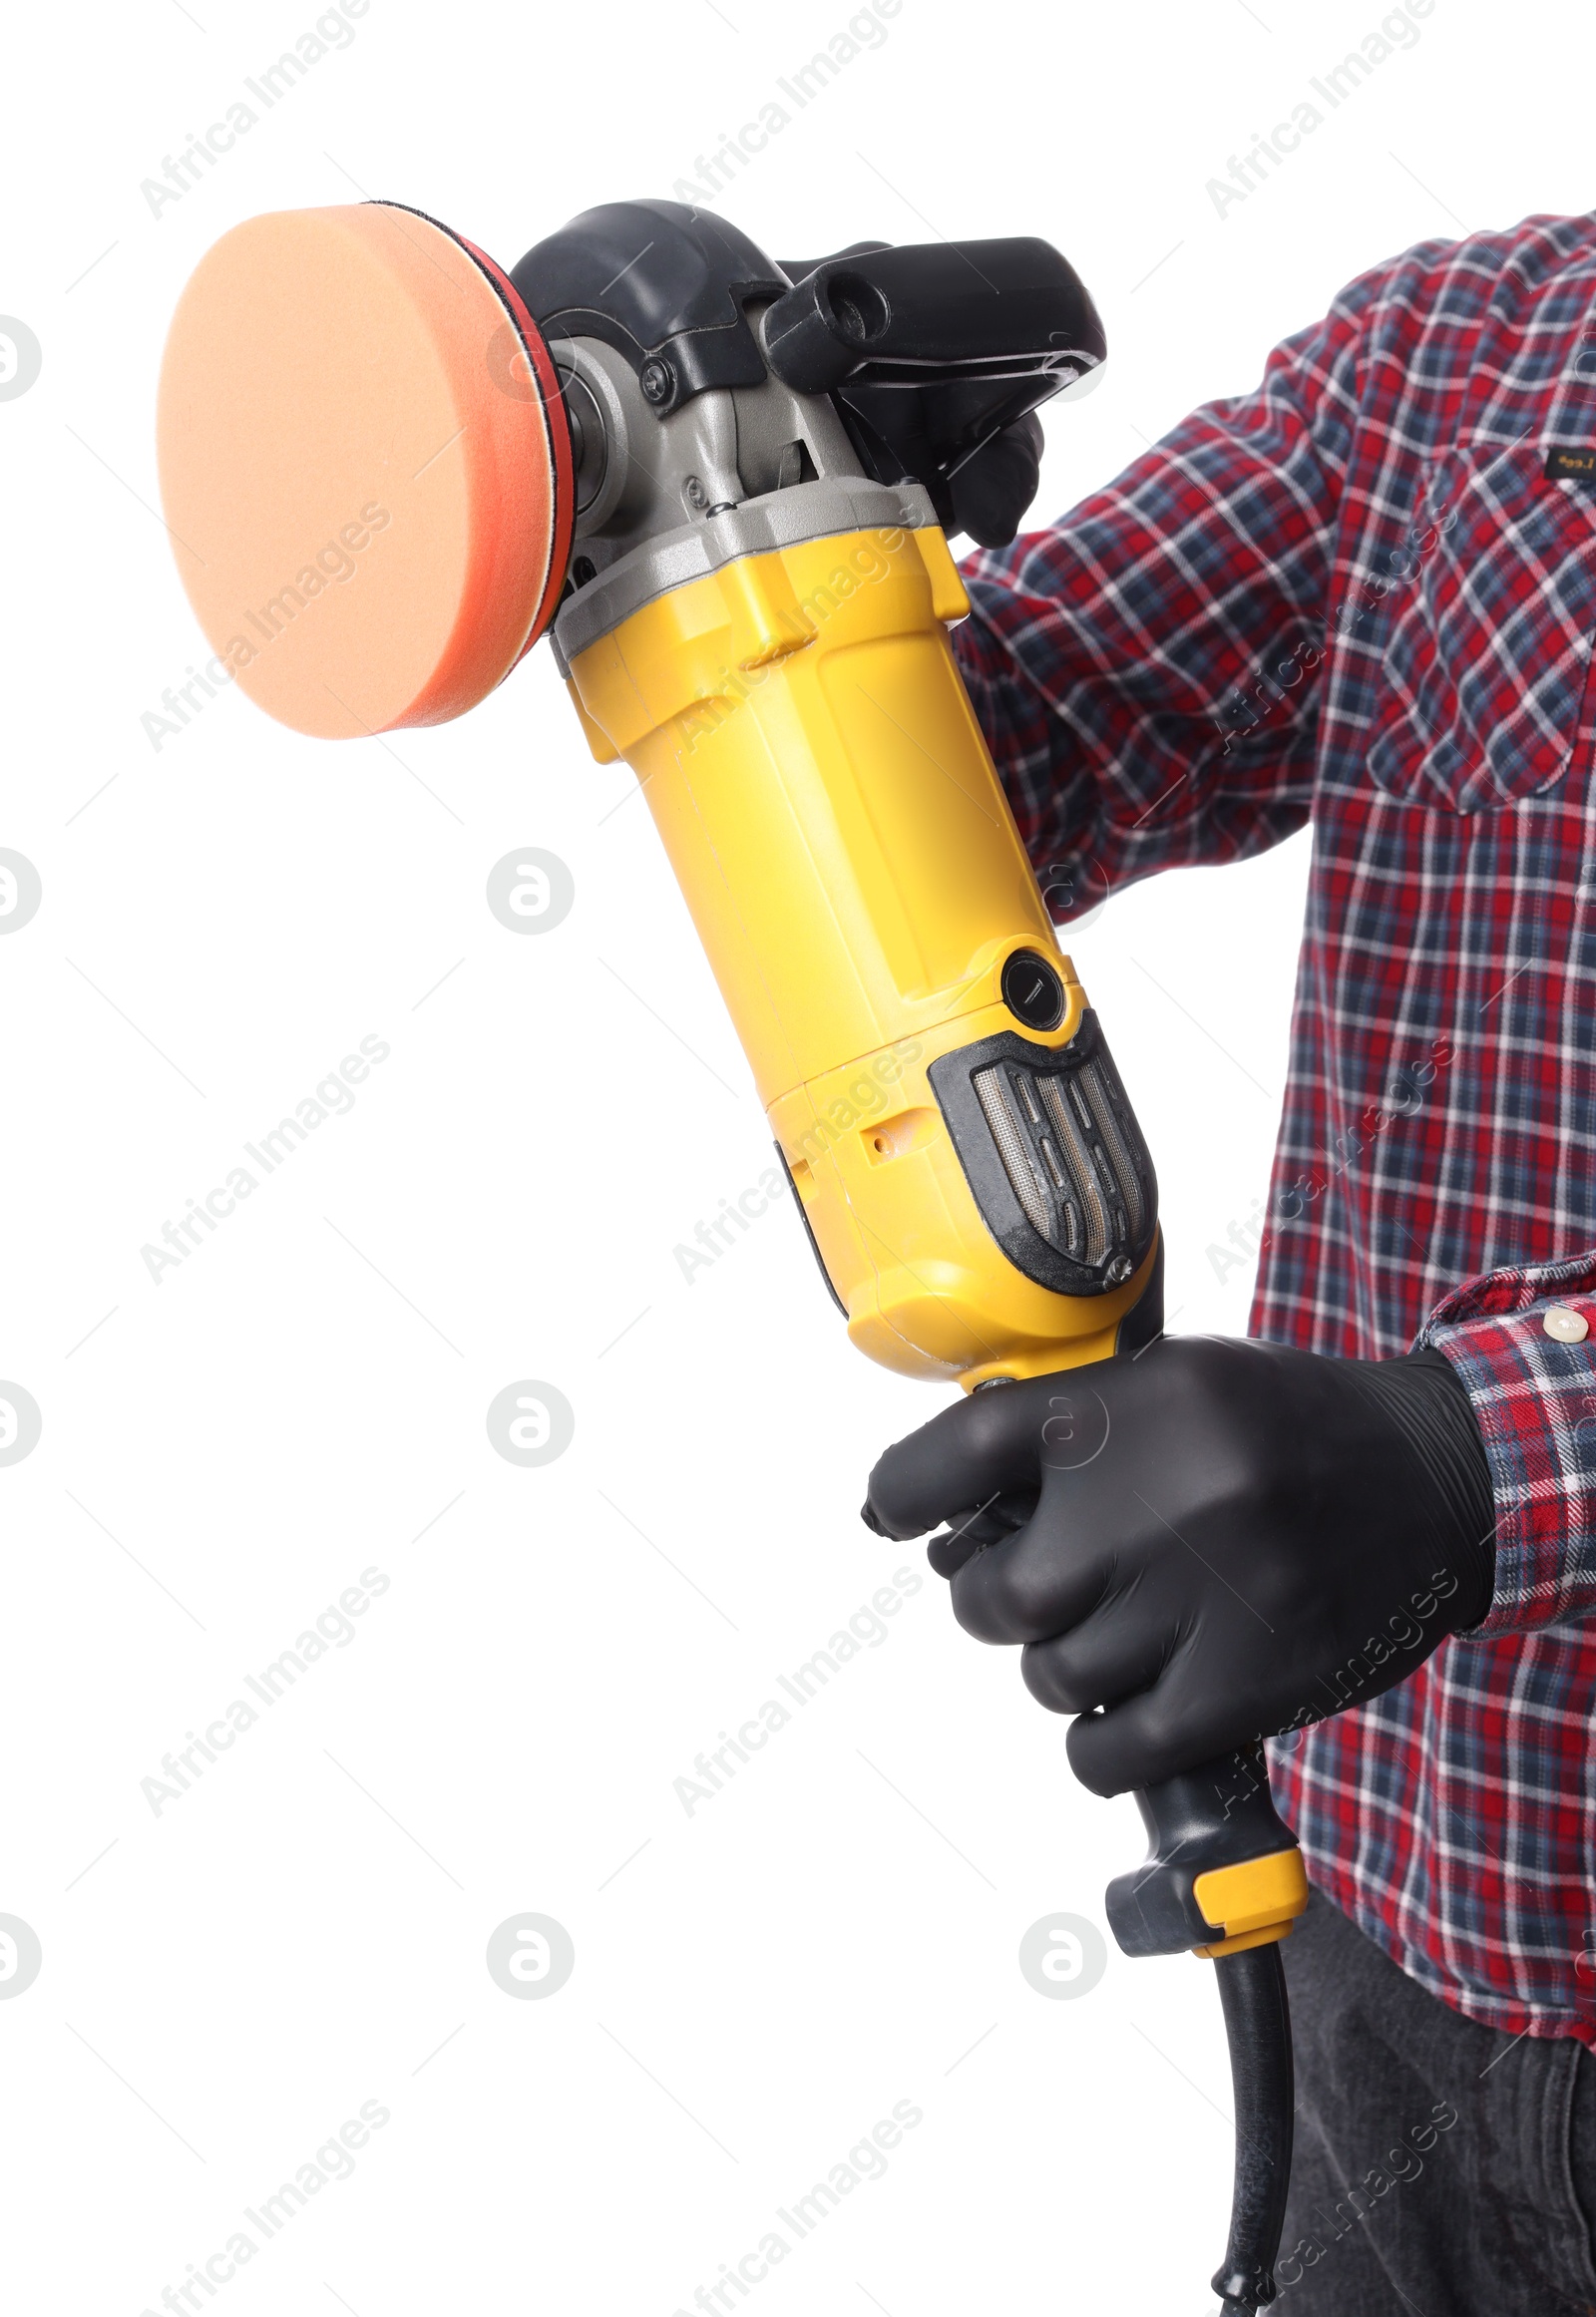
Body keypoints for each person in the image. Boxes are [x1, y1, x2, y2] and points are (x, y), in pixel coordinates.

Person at [863, 211, 1596, 2314]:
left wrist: (1479, 1448)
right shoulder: (1455, 370)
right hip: (1392, 1900)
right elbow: (990, 775)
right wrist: (807, 552)